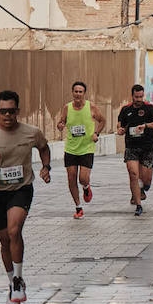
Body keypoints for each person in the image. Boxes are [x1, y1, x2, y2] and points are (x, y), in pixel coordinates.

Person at [0, 90, 52, 304]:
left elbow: (44, 147)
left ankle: (18, 279)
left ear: (18, 111)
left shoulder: (31, 132)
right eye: (3, 111)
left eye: (12, 111)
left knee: (14, 230)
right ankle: (12, 284)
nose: (8, 115)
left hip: (21, 189)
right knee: (5, 241)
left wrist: (46, 166)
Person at [56, 79, 105, 218]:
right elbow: (62, 121)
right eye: (76, 91)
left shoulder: (91, 107)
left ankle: (86, 187)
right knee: (71, 179)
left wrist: (96, 133)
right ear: (72, 93)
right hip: (71, 148)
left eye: (80, 92)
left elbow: (102, 120)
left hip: (87, 148)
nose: (78, 94)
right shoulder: (67, 107)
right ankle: (78, 207)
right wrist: (60, 125)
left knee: (83, 178)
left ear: (84, 93)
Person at [116, 84, 153, 216]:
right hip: (131, 147)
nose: (139, 99)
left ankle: (144, 188)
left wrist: (146, 125)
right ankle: (138, 205)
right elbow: (121, 125)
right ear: (132, 96)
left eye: (141, 96)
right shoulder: (126, 109)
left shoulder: (149, 108)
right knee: (133, 174)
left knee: (146, 180)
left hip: (147, 148)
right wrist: (120, 130)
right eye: (136, 97)